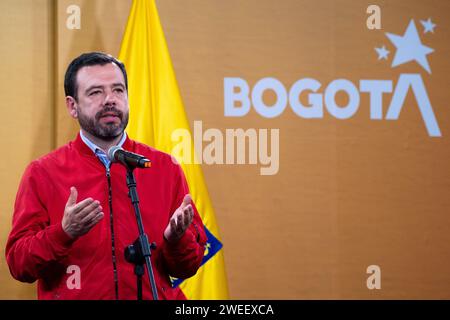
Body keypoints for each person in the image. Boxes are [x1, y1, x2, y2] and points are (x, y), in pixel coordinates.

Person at [5, 52, 207, 300]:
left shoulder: (164, 166)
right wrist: (64, 232)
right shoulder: (43, 172)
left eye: (118, 90)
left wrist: (176, 239)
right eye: (95, 92)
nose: (110, 100)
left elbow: (188, 266)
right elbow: (19, 264)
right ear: (72, 106)